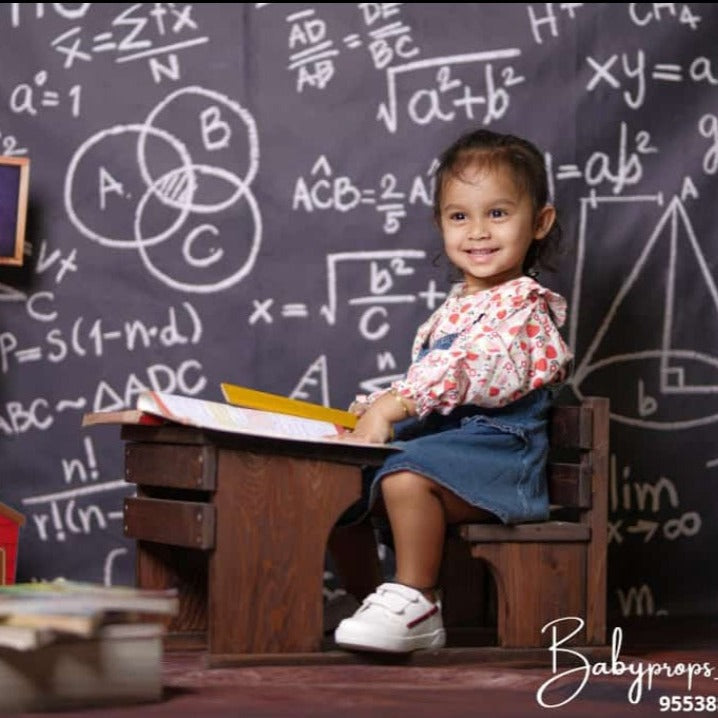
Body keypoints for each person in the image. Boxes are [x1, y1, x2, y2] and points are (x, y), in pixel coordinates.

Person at [330, 127, 574, 654]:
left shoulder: (526, 310)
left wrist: (397, 406)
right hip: (455, 446)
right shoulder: (456, 307)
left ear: (540, 222)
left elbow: (474, 369)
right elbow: (432, 382)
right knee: (337, 479)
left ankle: (418, 600)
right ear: (440, 223)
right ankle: (371, 596)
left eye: (498, 213)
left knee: (405, 478)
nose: (478, 232)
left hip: (501, 456)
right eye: (459, 216)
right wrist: (375, 409)